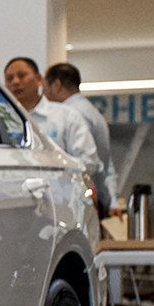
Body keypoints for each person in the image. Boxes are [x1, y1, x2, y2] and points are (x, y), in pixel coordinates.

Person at [2, 56, 104, 207]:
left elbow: (89, 162)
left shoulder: (66, 117)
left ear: (39, 79)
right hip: (14, 205)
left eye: (22, 75)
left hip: (63, 205)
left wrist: (54, 165)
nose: (15, 82)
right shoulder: (0, 122)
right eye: (9, 79)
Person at [44, 61, 116, 214]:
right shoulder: (92, 112)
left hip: (79, 198)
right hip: (96, 195)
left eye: (45, 86)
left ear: (56, 84)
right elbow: (106, 163)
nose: (44, 93)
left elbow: (89, 162)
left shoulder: (69, 115)